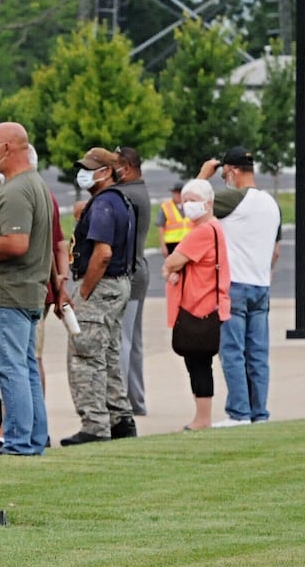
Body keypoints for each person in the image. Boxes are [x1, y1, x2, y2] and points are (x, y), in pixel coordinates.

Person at [0, 123, 55, 457]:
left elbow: (16, 243)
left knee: (9, 370)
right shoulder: (35, 184)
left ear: (8, 147)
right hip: (26, 293)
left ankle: (19, 443)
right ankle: (34, 439)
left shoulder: (15, 191)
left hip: (7, 294)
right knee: (24, 368)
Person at [196, 147, 281, 426]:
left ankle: (239, 412)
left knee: (232, 351)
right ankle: (260, 413)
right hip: (261, 284)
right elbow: (275, 251)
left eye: (223, 176)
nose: (224, 180)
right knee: (257, 354)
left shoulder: (233, 198)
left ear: (232, 171)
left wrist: (203, 175)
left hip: (233, 286)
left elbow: (194, 206)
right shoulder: (271, 204)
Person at [61, 147, 136, 446]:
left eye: (91, 168)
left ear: (107, 171)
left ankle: (94, 424)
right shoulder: (120, 201)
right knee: (108, 354)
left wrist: (84, 291)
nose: (85, 173)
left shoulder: (104, 204)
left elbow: (102, 253)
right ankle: (119, 418)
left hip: (101, 285)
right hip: (118, 285)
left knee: (86, 355)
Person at [162, 178, 230, 431]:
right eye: (185, 201)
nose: (187, 206)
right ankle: (202, 416)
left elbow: (172, 261)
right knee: (199, 363)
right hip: (208, 303)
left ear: (209, 203)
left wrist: (172, 268)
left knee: (198, 363)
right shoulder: (213, 227)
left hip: (197, 306)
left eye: (193, 201)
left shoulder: (202, 232)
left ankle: (202, 418)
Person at [112, 146, 151, 422]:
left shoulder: (127, 195)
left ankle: (122, 402)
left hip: (129, 274)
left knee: (123, 340)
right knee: (133, 340)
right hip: (139, 272)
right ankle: (135, 399)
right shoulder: (139, 191)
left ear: (126, 166)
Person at [158, 182, 190, 256]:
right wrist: (163, 246)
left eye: (180, 193)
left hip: (188, 242)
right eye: (176, 193)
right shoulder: (166, 207)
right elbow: (160, 228)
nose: (178, 195)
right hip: (172, 244)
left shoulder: (190, 206)